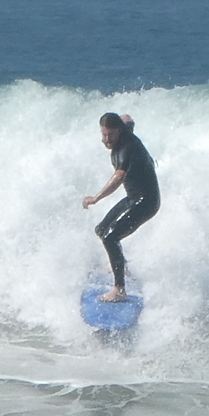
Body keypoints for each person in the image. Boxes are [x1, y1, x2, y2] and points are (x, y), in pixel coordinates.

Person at [82, 112, 160, 302]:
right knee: (101, 230)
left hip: (146, 201)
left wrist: (96, 198)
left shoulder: (126, 147)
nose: (107, 139)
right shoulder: (123, 130)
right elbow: (127, 119)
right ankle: (120, 265)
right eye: (104, 135)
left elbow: (119, 177)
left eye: (111, 135)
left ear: (119, 132)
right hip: (133, 197)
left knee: (111, 237)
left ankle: (119, 290)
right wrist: (125, 118)